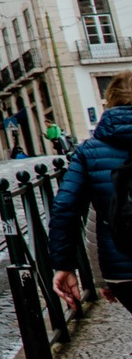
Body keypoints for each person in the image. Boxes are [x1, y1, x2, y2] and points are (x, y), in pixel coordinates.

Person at [51, 73, 132, 309]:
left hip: (122, 271)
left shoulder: (89, 151)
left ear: (108, 102)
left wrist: (64, 265)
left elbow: (65, 207)